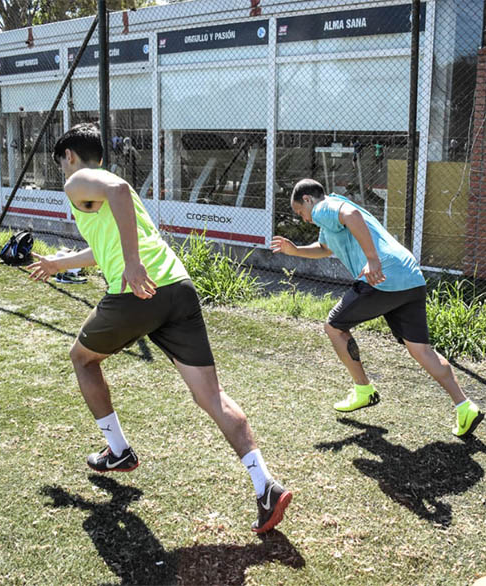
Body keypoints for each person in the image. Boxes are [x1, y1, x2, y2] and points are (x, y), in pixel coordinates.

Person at [27, 123, 291, 533]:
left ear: (71, 156)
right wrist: (58, 263)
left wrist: (131, 264)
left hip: (139, 291)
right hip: (177, 287)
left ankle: (118, 451)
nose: (63, 170)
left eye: (61, 161)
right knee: (212, 396)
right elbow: (103, 249)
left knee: (82, 359)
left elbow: (115, 193)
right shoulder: (114, 197)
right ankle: (266, 486)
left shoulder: (81, 181)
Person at [271, 178, 484, 437]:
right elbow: (325, 248)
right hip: (410, 277)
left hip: (382, 276)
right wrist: (294, 251)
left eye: (301, 213)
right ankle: (465, 407)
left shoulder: (324, 207)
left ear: (308, 199)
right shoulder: (330, 220)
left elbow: (351, 214)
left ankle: (363, 390)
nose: (305, 218)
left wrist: (372, 260)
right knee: (421, 350)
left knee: (334, 327)